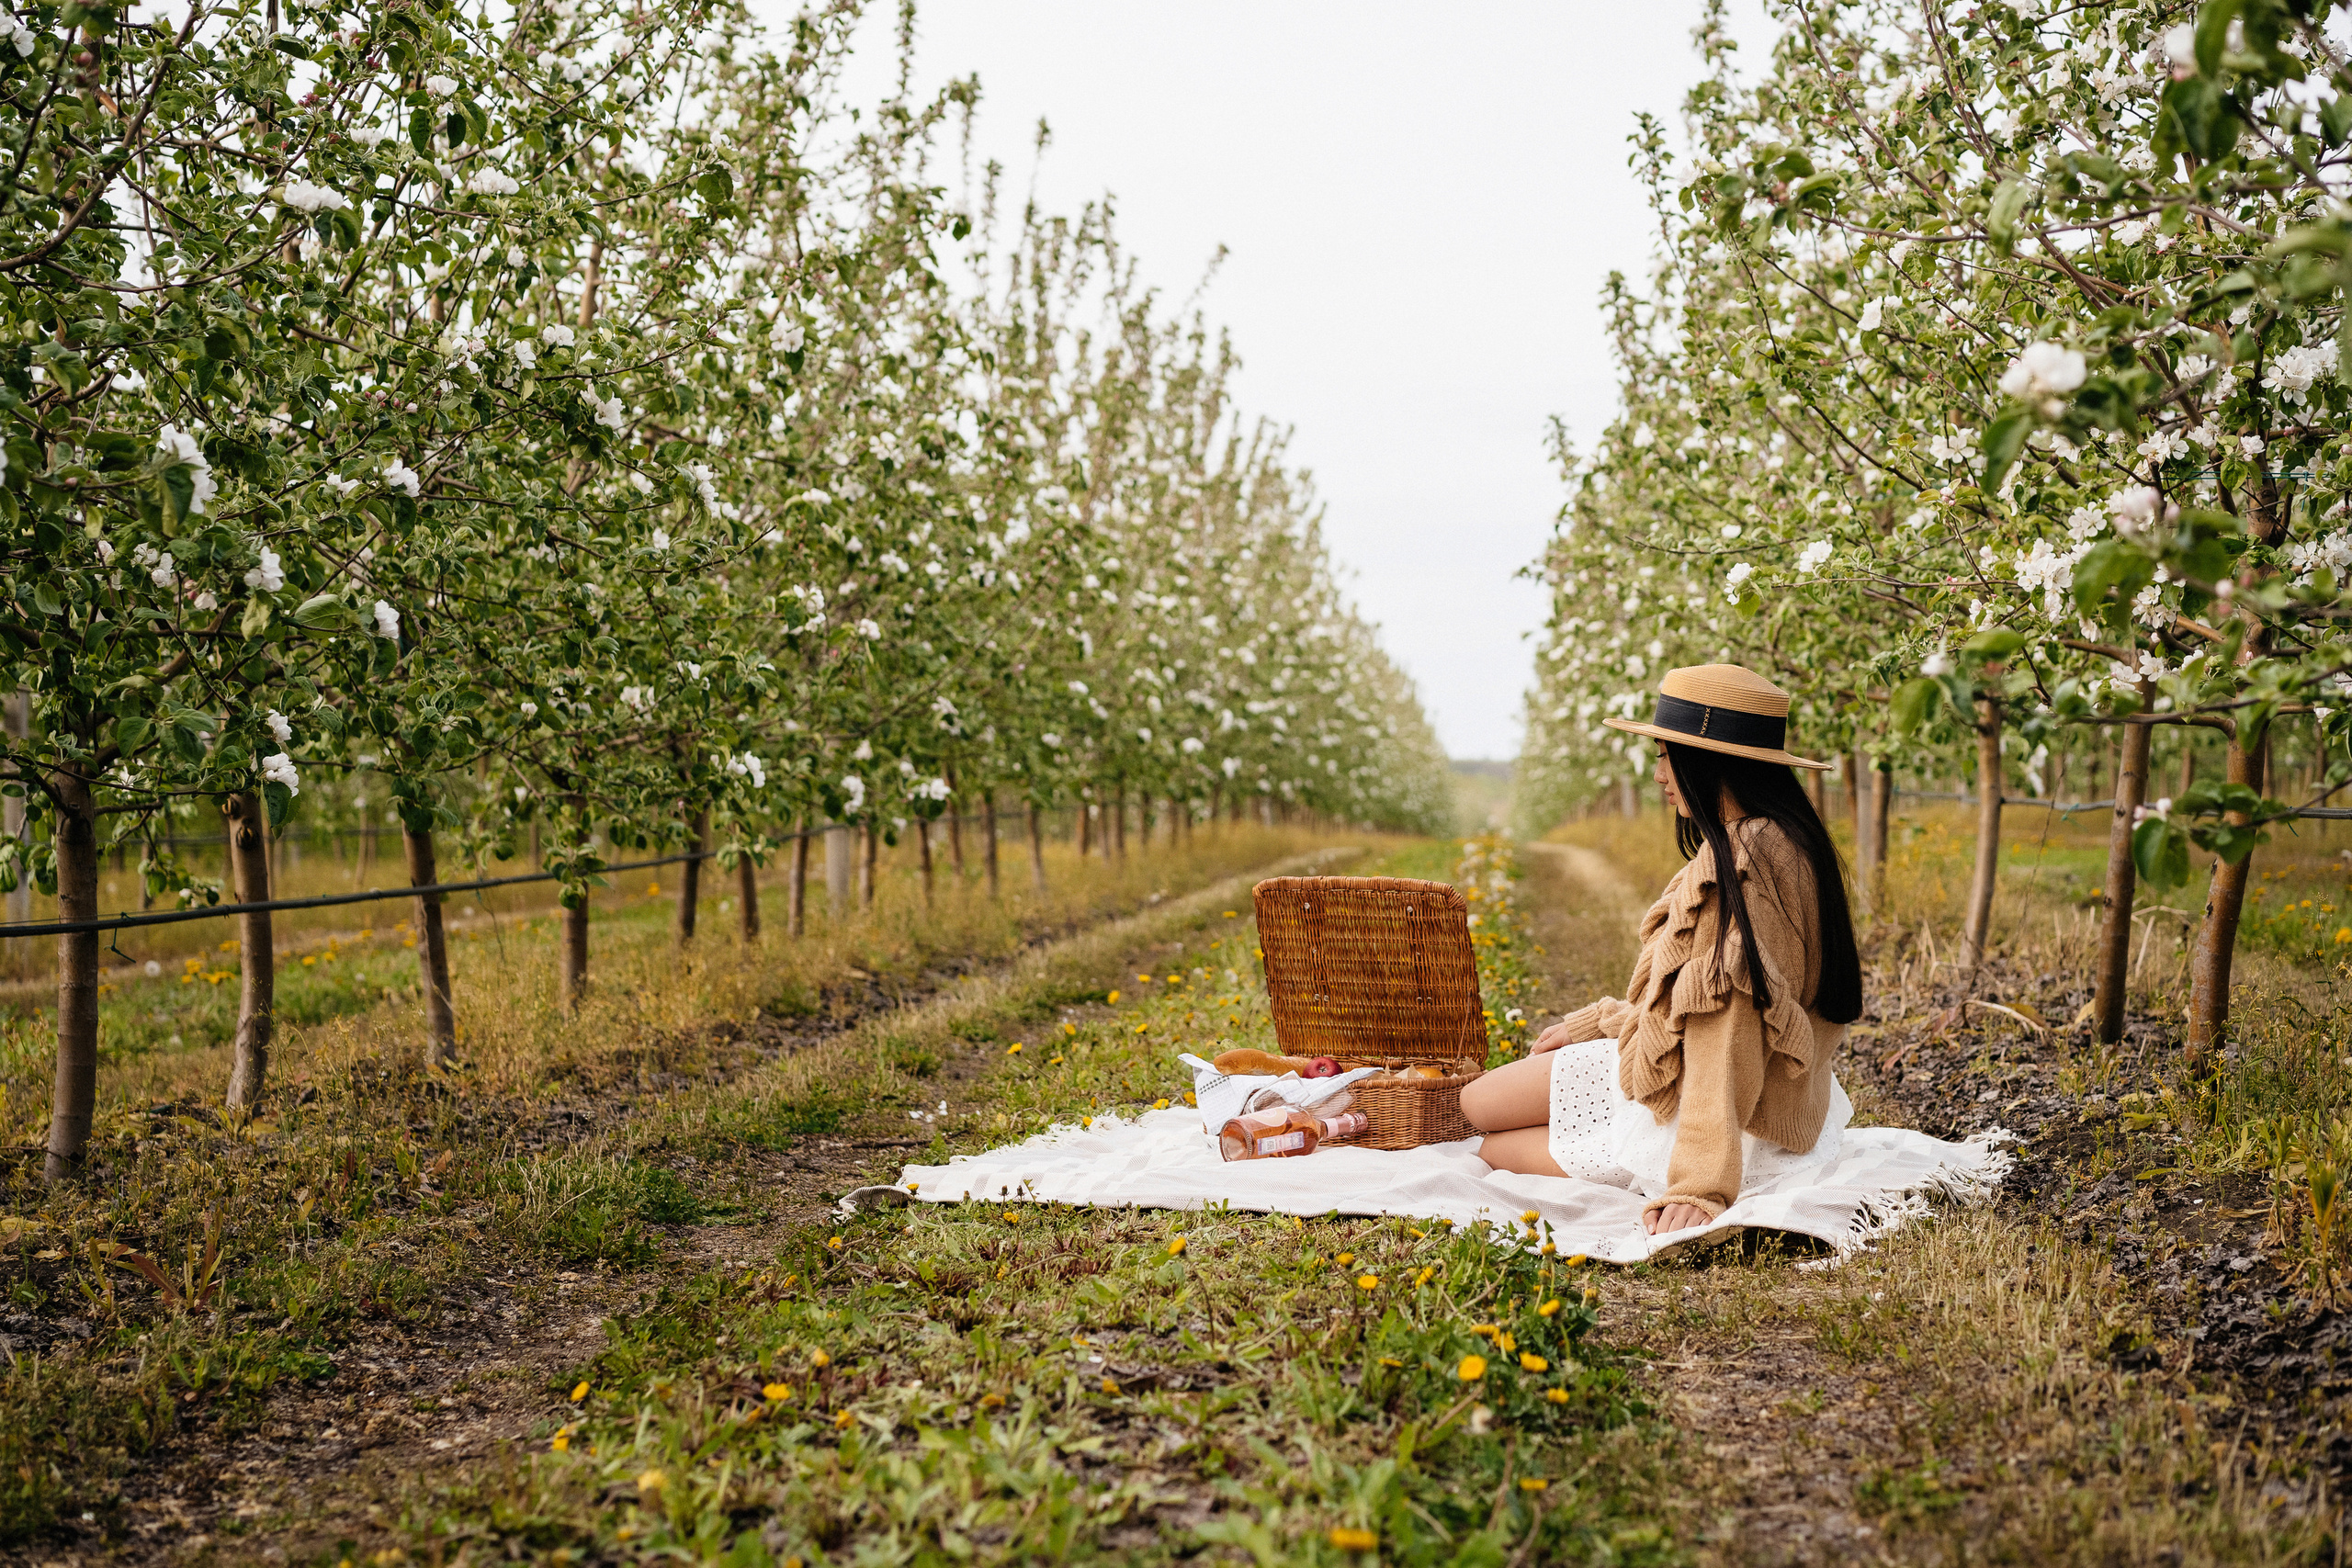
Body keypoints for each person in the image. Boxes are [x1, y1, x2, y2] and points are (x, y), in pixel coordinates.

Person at [1462, 663, 1862, 1237]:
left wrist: (1701, 1184)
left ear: (1712, 761)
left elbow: (1727, 1026)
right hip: (1721, 1080)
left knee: (1489, 1142)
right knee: (1479, 1107)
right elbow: (1704, 1007)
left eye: (1667, 755)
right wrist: (1606, 1020)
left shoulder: (1747, 862)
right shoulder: (1778, 837)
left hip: (1720, 1115)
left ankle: (1663, 1159)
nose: (1658, 775)